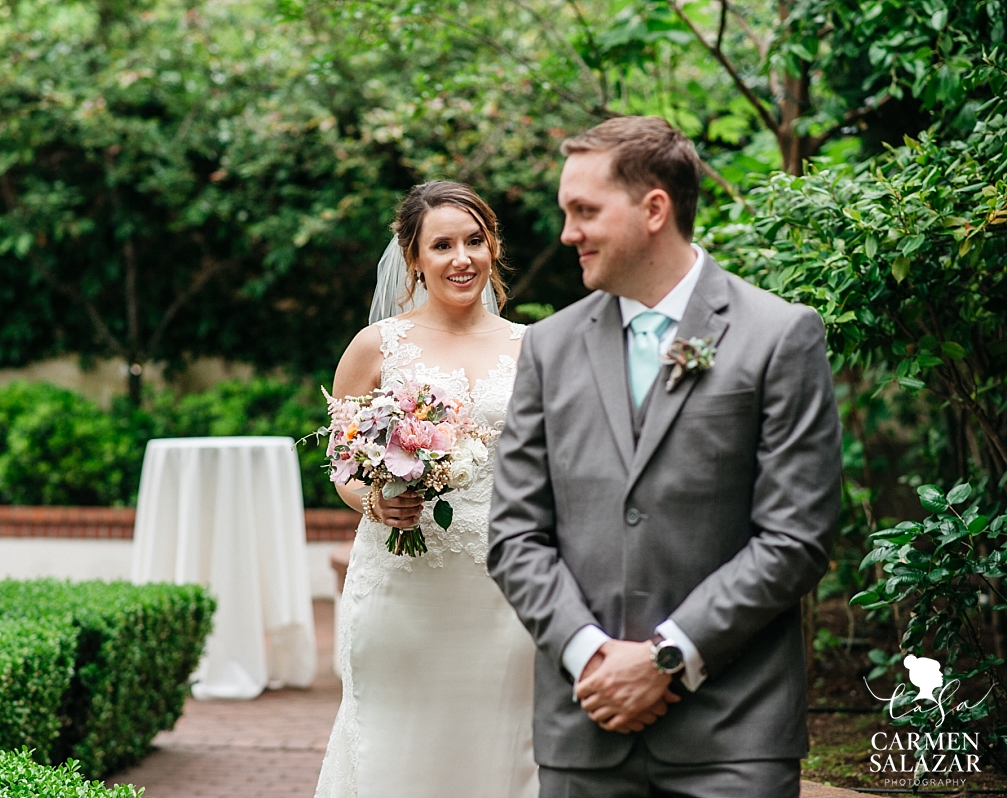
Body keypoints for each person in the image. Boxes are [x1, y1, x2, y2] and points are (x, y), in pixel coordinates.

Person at [488, 115, 843, 797]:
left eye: (584, 210)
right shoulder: (548, 348)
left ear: (654, 208)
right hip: (582, 728)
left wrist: (667, 657)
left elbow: (797, 537)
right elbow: (514, 534)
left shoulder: (778, 336)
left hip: (734, 734)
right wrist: (592, 655)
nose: (568, 233)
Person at [315, 181, 539, 798]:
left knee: (504, 741)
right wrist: (374, 501)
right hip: (403, 583)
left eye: (475, 240)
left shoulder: (532, 347)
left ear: (493, 247)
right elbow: (341, 465)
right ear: (413, 258)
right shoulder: (376, 346)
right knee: (395, 739)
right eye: (442, 245)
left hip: (503, 583)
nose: (461, 258)